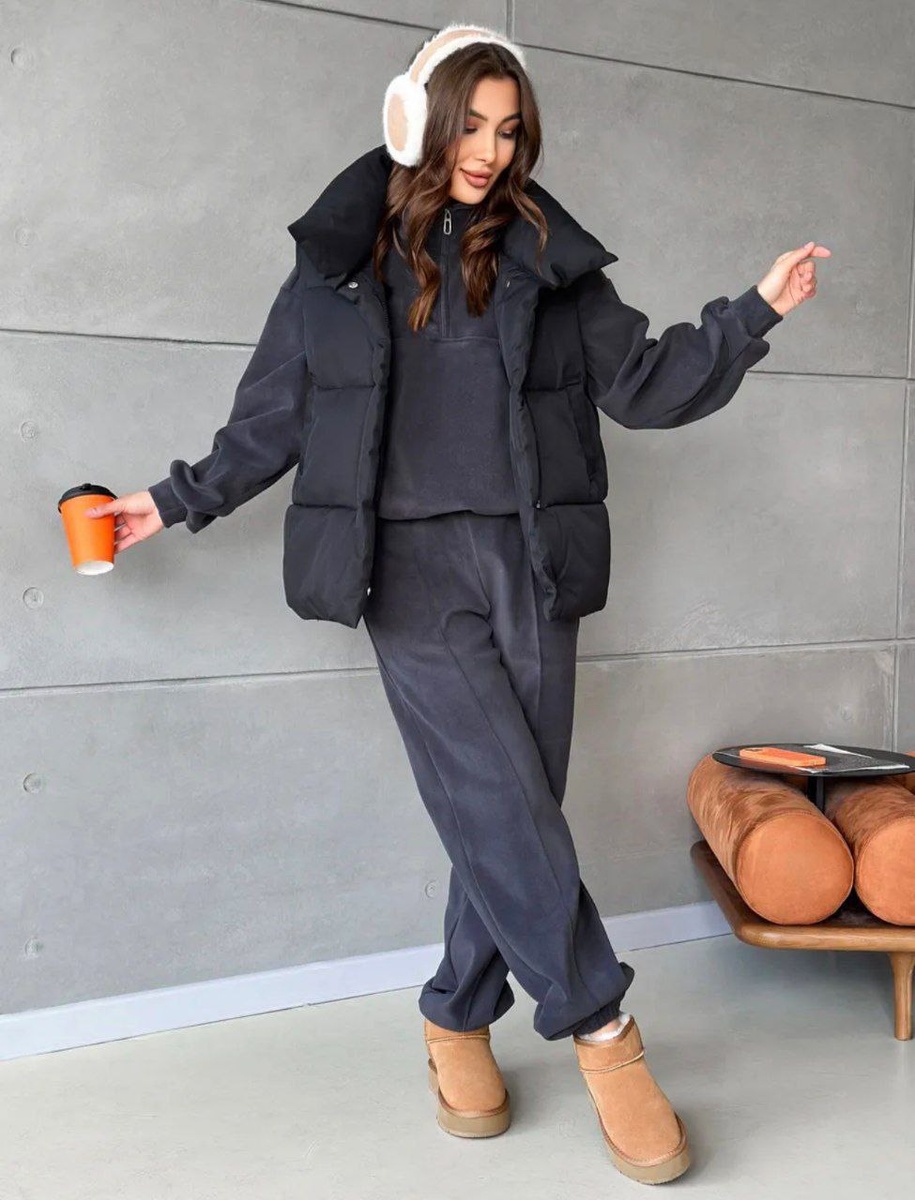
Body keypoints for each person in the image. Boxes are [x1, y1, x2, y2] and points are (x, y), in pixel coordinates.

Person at [86, 22, 828, 1186]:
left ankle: (454, 1013)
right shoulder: (342, 262)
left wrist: (754, 311)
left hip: (532, 563)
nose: (488, 149)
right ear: (416, 117)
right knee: (496, 796)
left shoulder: (548, 258)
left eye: (509, 129)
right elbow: (273, 416)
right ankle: (602, 1027)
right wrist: (171, 500)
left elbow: (643, 385)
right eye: (471, 123)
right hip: (409, 573)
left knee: (513, 803)